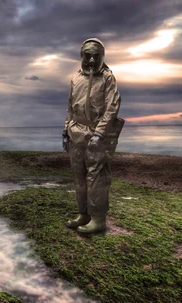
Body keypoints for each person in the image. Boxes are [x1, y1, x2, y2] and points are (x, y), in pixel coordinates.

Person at [62, 38, 121, 234]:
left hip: (96, 134)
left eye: (96, 56)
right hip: (76, 132)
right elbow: (71, 107)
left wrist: (100, 133)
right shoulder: (75, 79)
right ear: (82, 56)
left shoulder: (107, 79)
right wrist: (66, 129)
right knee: (79, 175)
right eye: (88, 55)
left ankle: (98, 219)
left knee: (96, 177)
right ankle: (83, 214)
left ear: (102, 56)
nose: (92, 60)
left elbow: (111, 109)